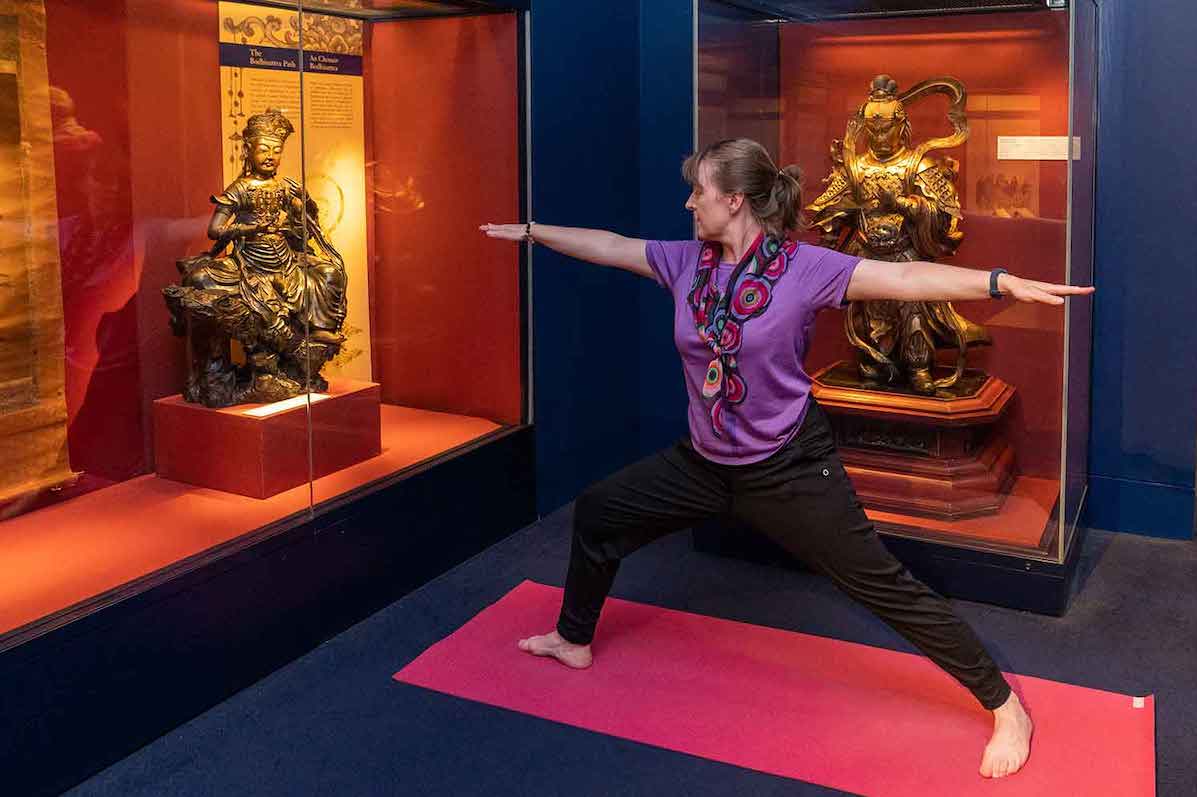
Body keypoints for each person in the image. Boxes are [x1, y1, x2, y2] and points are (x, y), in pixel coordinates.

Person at [480, 138, 1093, 780]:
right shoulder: (686, 261)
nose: (689, 202)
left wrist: (998, 283)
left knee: (881, 585)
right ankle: (573, 639)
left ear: (735, 200)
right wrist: (531, 231)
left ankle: (1004, 706)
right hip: (707, 462)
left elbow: (907, 278)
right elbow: (609, 245)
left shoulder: (804, 268)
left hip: (788, 466)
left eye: (699, 190)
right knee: (601, 511)